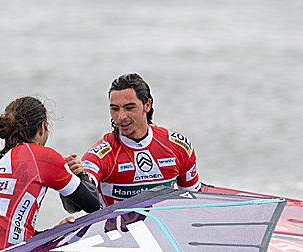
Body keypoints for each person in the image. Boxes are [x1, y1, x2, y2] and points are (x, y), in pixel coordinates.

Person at [0, 95, 100, 252]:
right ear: (42, 128)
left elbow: (10, 229)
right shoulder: (40, 156)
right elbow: (95, 205)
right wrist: (79, 173)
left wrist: (53, 234)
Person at [64, 73, 201, 208]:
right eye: (115, 109)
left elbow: (194, 202)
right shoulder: (102, 154)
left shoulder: (178, 147)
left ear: (147, 105)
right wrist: (74, 178)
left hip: (161, 227)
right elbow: (75, 206)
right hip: (115, 229)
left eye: (129, 108)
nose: (121, 117)